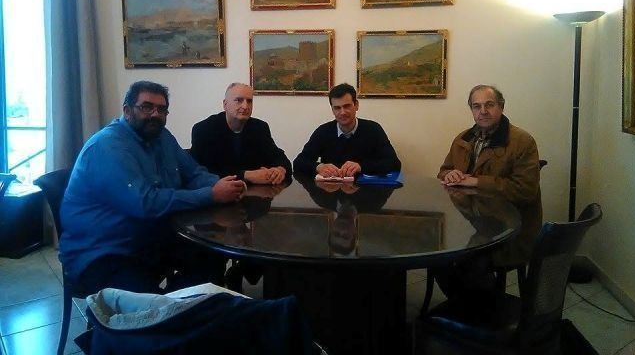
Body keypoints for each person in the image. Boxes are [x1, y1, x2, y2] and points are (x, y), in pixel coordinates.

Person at [59, 81, 247, 295]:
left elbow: (193, 173)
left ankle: (177, 305)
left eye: (162, 109)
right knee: (146, 306)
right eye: (147, 107)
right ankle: (167, 308)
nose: (155, 114)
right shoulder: (107, 146)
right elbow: (145, 203)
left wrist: (225, 185)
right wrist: (212, 194)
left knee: (212, 256)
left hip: (148, 239)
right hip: (103, 251)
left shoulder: (162, 137)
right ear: (127, 110)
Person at [434, 84, 542, 300]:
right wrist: (450, 175)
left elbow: (525, 190)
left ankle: (482, 309)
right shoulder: (463, 139)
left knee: (470, 261)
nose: (483, 111)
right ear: (471, 110)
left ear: (501, 107)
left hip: (509, 231)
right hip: (470, 224)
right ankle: (464, 306)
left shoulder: (522, 141)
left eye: (489, 105)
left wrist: (476, 181)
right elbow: (443, 172)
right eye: (477, 106)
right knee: (438, 255)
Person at [191, 83, 291, 184]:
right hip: (217, 191)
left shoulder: (260, 127)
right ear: (225, 104)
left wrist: (280, 170)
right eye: (239, 100)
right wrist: (245, 175)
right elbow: (202, 171)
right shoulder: (204, 129)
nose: (245, 106)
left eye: (249, 101)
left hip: (257, 191)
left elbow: (278, 157)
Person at [293, 83, 401, 177]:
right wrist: (318, 167)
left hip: (365, 191)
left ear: (356, 105)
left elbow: (394, 164)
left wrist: (361, 167)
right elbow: (299, 163)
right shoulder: (323, 131)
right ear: (332, 110)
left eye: (347, 106)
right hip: (331, 191)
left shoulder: (373, 130)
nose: (342, 112)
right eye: (337, 108)